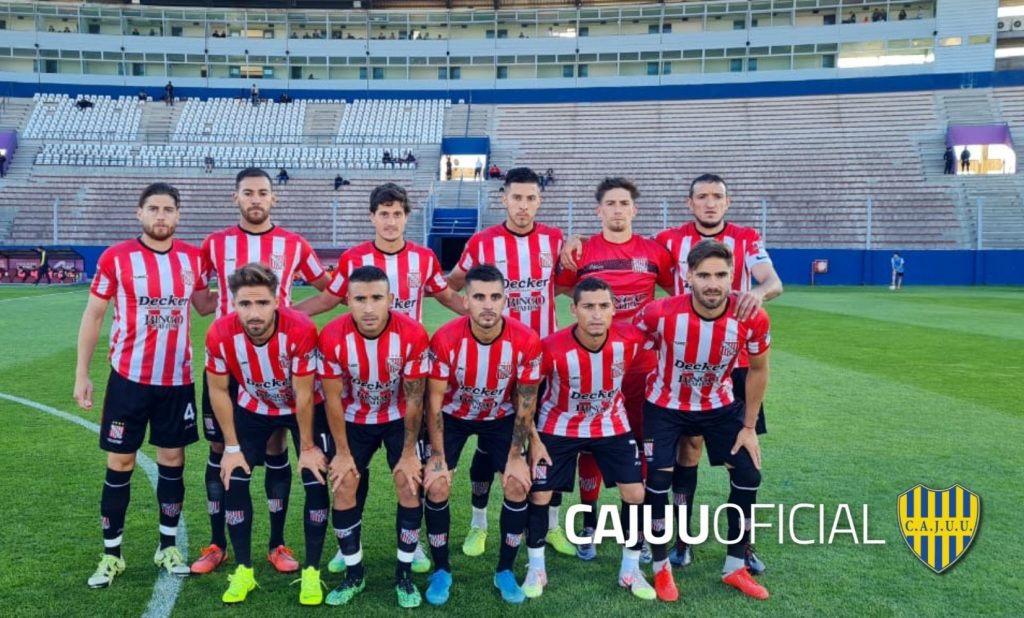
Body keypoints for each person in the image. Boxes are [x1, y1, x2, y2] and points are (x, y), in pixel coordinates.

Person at [189, 168, 330, 576]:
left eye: (263, 193)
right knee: (222, 452)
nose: (255, 199)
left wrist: (290, 315)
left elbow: (329, 289)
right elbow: (200, 299)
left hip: (281, 362)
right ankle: (218, 543)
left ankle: (276, 543)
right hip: (228, 360)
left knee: (275, 447)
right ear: (236, 198)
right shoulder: (214, 244)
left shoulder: (294, 243)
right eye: (248, 193)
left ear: (274, 199)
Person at [73, 182, 206, 588]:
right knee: (121, 463)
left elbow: (204, 305)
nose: (161, 216)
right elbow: (94, 315)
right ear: (140, 213)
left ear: (178, 215)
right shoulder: (117, 258)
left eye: (168, 209)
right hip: (129, 379)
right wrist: (82, 373)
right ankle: (112, 555)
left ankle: (167, 547)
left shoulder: (192, 258)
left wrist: (260, 293)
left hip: (176, 380)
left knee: (172, 461)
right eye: (154, 208)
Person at [652, 173, 782, 571]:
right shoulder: (668, 241)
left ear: (728, 202)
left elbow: (772, 281)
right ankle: (681, 540)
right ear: (689, 203)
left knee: (745, 454)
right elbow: (632, 259)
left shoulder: (747, 238)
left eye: (717, 197)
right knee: (686, 450)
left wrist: (755, 296)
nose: (710, 203)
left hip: (735, 364)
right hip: (682, 365)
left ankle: (743, 547)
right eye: (702, 197)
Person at [635, 240, 772, 602]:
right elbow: (633, 352)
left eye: (722, 275)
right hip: (664, 407)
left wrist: (748, 427)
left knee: (748, 474)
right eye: (705, 275)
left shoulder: (751, 316)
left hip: (719, 406)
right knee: (658, 481)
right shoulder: (659, 313)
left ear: (733, 277)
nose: (713, 283)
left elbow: (758, 370)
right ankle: (662, 568)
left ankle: (735, 567)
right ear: (688, 276)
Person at [447, 168, 570, 556]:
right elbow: (453, 284)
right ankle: (479, 524)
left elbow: (568, 285)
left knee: (547, 446)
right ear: (504, 199)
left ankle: (551, 525)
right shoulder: (482, 242)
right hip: (497, 362)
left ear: (539, 200)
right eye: (516, 198)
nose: (523, 205)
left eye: (531, 198)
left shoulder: (554, 239)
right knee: (489, 447)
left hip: (542, 360)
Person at [556, 177, 674, 564]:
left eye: (624, 203)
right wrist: (571, 239)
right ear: (599, 210)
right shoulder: (583, 250)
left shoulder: (654, 253)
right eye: (611, 203)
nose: (618, 210)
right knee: (590, 438)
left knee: (638, 444)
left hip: (640, 366)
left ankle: (633, 533)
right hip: (591, 362)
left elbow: (678, 295)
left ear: (634, 210)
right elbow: (564, 290)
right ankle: (588, 525)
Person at [205, 263, 330, 605]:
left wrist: (306, 447)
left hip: (303, 407)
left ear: (277, 302)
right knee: (235, 476)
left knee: (315, 476)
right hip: (254, 406)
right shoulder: (219, 334)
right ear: (234, 304)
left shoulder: (301, 329)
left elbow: (304, 394)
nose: (254, 312)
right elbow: (218, 391)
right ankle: (244, 570)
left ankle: (312, 573)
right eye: (245, 304)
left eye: (262, 303)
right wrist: (231, 447)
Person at [421, 264, 545, 606]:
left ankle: (504, 570)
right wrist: (437, 455)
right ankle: (441, 569)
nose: (487, 305)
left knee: (519, 483)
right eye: (479, 297)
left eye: (495, 297)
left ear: (506, 300)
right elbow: (433, 404)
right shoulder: (445, 338)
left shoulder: (526, 340)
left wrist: (517, 456)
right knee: (436, 484)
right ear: (465, 301)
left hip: (500, 417)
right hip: (453, 416)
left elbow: (525, 403)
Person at [527, 277, 654, 600]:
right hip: (558, 426)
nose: (596, 314)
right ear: (573, 310)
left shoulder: (632, 339)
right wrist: (533, 438)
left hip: (610, 424)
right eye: (588, 307)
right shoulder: (550, 347)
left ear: (614, 309)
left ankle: (630, 568)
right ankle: (535, 567)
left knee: (636, 492)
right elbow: (526, 395)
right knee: (540, 496)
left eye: (603, 306)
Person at [317, 265, 431, 608]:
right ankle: (354, 573)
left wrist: (409, 453)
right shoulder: (333, 336)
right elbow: (333, 399)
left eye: (377, 298)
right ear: (347, 301)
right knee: (345, 481)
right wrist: (341, 452)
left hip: (399, 417)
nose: (369, 308)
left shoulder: (411, 333)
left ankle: (404, 574)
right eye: (360, 299)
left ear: (391, 300)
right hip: (353, 417)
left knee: (409, 482)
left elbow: (414, 398)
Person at [296, 183, 464, 323]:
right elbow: (326, 301)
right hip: (365, 348)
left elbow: (448, 297)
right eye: (384, 214)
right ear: (372, 217)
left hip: (412, 350)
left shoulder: (425, 258)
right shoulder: (352, 259)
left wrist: (483, 315)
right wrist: (281, 315)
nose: (391, 222)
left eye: (397, 214)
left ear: (406, 217)